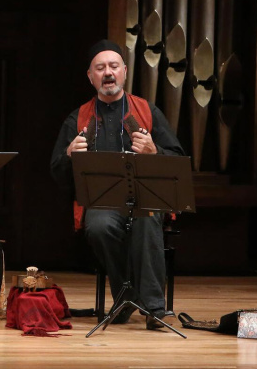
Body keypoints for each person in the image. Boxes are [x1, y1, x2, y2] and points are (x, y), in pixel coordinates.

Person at [50, 39, 185, 330]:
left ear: (124, 71)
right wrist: (69, 155)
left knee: (147, 220)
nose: (108, 73)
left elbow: (177, 159)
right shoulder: (78, 119)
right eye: (100, 68)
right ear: (91, 76)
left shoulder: (147, 111)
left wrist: (155, 151)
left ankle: (153, 307)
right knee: (98, 227)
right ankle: (127, 296)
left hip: (146, 199)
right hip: (104, 203)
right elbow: (57, 175)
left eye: (113, 66)